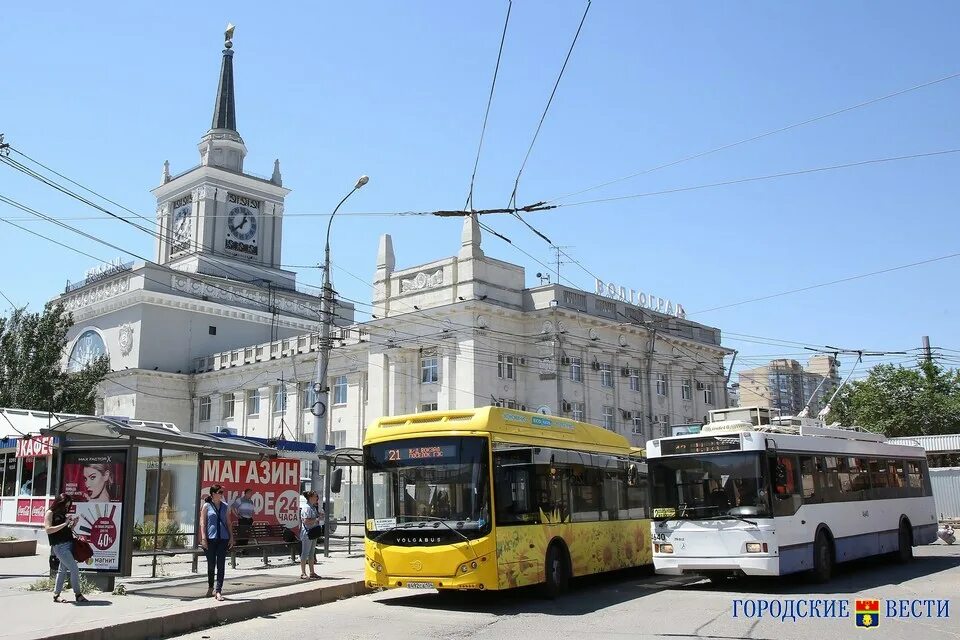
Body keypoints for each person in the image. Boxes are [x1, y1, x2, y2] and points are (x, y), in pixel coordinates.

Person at [44, 493, 88, 603]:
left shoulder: (63, 513)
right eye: (65, 505)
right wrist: (64, 523)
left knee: (62, 570)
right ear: (59, 503)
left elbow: (65, 530)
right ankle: (78, 594)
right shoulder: (50, 513)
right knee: (74, 569)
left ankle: (56, 595)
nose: (66, 508)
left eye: (68, 506)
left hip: (69, 543)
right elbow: (48, 529)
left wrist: (73, 525)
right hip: (59, 546)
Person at [198, 484, 233, 601]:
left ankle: (218, 591)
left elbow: (228, 523)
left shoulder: (225, 506)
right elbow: (202, 523)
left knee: (221, 565)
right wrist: (203, 538)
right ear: (213, 494)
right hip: (210, 538)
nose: (222, 494)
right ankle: (210, 586)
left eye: (222, 492)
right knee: (211, 564)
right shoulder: (206, 506)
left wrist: (231, 537)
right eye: (220, 492)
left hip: (223, 538)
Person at [299, 490, 323, 580]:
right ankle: (303, 572)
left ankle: (312, 572)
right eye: (315, 496)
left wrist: (319, 516)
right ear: (310, 498)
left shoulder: (313, 507)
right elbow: (306, 521)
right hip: (307, 533)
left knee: (312, 553)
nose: (317, 498)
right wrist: (317, 519)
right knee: (305, 553)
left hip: (313, 532)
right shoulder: (307, 508)